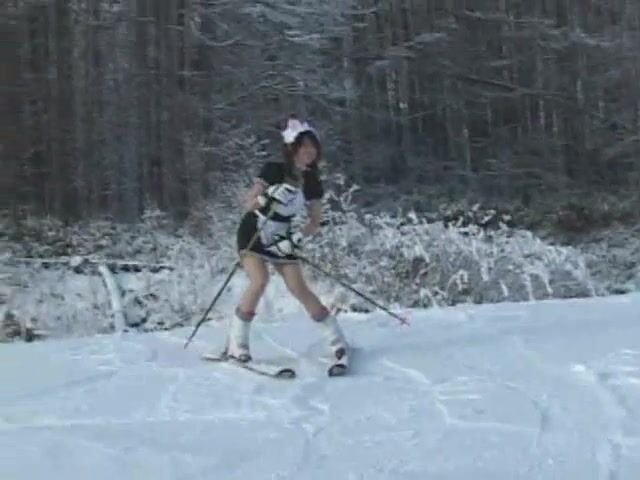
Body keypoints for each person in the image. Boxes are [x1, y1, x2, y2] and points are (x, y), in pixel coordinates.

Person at [224, 117, 348, 364]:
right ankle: (237, 344)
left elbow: (315, 221)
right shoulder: (273, 170)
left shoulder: (312, 181)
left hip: (282, 236)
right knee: (259, 280)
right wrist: (267, 196)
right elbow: (249, 203)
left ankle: (337, 341)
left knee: (298, 287)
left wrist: (296, 239)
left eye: (313, 147)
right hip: (254, 231)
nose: (310, 151)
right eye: (304, 146)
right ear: (292, 148)